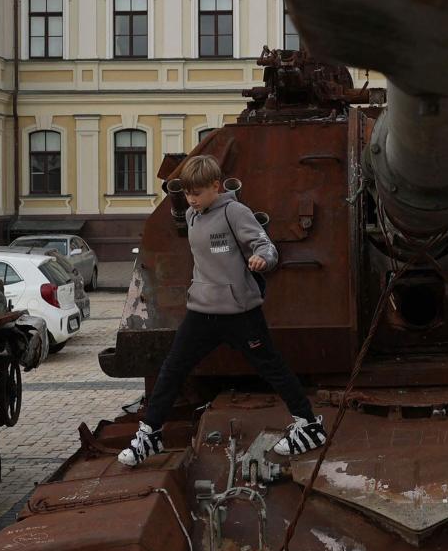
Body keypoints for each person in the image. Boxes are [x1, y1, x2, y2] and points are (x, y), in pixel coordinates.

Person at [118, 155, 326, 467]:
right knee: (172, 369)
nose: (191, 199)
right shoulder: (191, 215)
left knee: (272, 368)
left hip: (240, 312)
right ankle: (150, 435)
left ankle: (309, 427)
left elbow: (265, 246)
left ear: (215, 186)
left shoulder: (234, 212)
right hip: (202, 311)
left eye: (197, 193)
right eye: (188, 194)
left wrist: (262, 260)